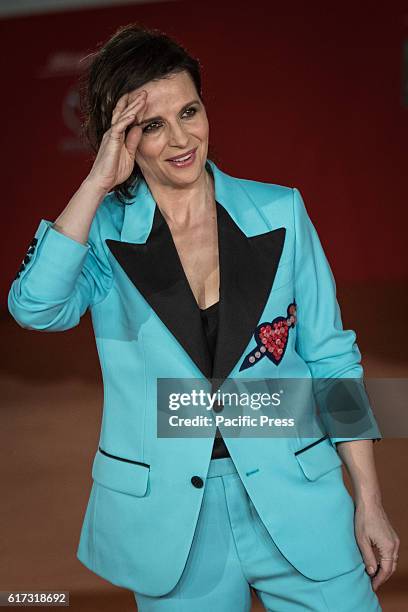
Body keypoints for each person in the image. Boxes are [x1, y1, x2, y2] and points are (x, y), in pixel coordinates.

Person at [8, 23, 399, 612]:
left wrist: (368, 497)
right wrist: (95, 184)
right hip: (174, 527)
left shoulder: (280, 212)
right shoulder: (103, 235)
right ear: (123, 139)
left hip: (298, 501)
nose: (180, 139)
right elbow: (36, 308)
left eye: (189, 111)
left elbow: (331, 356)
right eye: (152, 125)